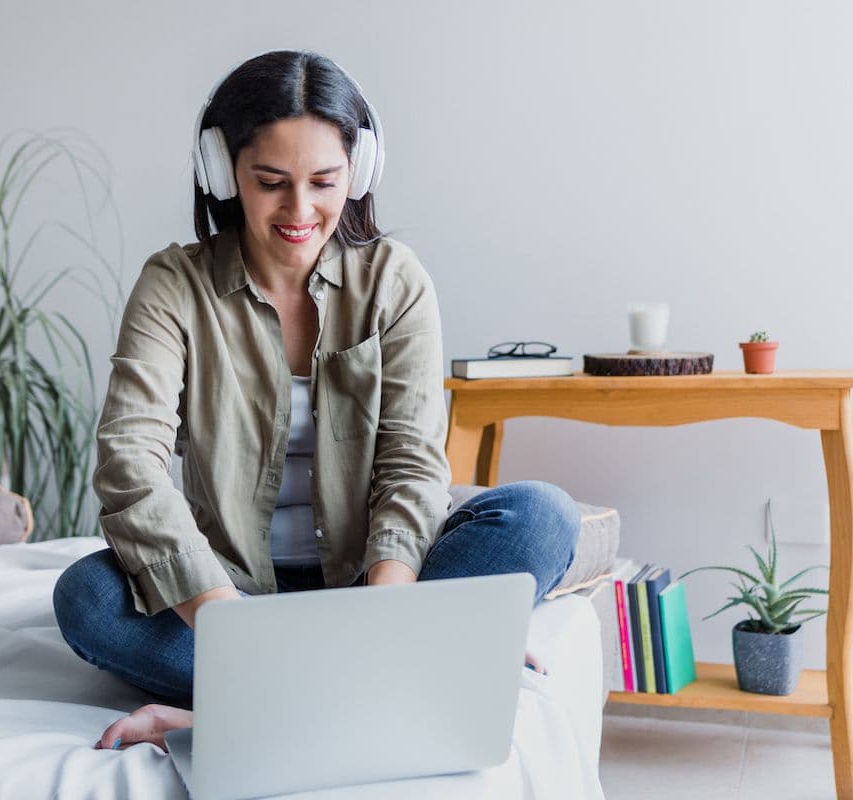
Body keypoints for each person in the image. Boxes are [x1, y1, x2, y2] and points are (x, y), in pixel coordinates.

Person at [52, 50, 580, 752]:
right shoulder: (173, 286)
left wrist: (386, 616)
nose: (301, 211)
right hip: (231, 598)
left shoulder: (395, 280)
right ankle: (392, 682)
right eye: (270, 183)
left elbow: (412, 467)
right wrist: (231, 628)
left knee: (541, 515)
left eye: (325, 182)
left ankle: (255, 707)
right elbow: (130, 467)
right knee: (88, 597)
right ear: (221, 171)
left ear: (358, 175)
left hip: (373, 587)